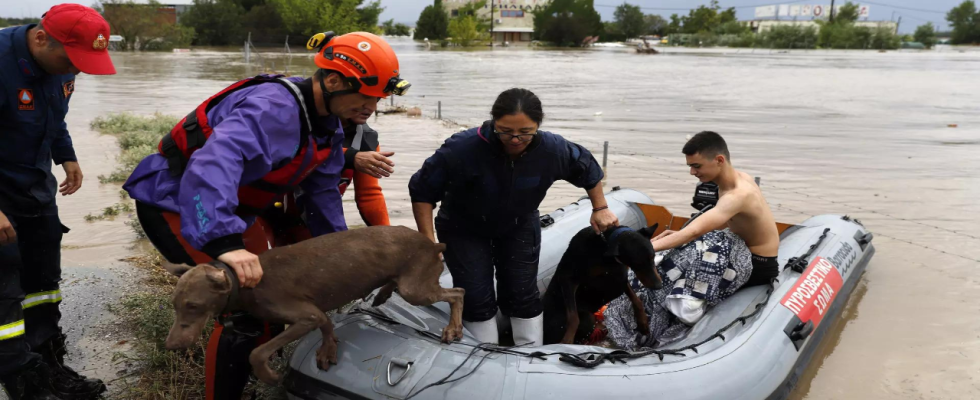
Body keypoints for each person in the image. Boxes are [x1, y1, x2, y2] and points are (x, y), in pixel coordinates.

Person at [122, 31, 409, 400]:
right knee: (246, 313)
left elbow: (323, 198)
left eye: (379, 99)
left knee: (271, 300)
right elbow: (212, 164)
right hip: (177, 202)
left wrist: (350, 255)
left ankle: (245, 375)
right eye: (367, 96)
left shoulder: (328, 126)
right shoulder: (273, 107)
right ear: (334, 81)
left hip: (234, 210)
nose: (372, 107)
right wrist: (226, 244)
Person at [409, 88, 619, 346]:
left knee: (522, 292)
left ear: (537, 126)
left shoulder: (552, 149)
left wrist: (600, 208)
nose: (515, 139)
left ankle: (530, 353)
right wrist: (428, 242)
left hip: (519, 224)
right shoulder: (462, 148)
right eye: (505, 131)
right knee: (475, 295)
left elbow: (587, 168)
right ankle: (485, 354)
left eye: (525, 132)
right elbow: (422, 190)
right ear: (493, 121)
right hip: (463, 228)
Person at [0, 4, 116, 399]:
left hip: (33, 187)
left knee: (43, 283)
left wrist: (66, 156)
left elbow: (55, 117)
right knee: (5, 288)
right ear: (40, 38)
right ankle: (21, 381)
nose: (77, 70)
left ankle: (48, 363)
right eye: (72, 60)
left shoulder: (60, 68)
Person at [603, 131, 780, 350]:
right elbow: (724, 222)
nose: (692, 172)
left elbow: (694, 232)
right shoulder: (737, 179)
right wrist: (675, 236)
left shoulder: (737, 195)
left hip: (757, 265)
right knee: (669, 256)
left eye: (696, 166)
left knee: (666, 264)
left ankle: (680, 311)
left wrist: (640, 250)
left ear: (719, 160)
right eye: (690, 166)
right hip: (739, 248)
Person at [339, 122, 393, 226]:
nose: (369, 108)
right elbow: (305, 152)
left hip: (326, 211)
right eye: (356, 104)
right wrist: (350, 156)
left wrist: (386, 234)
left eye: (375, 104)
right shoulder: (302, 123)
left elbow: (369, 194)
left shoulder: (366, 137)